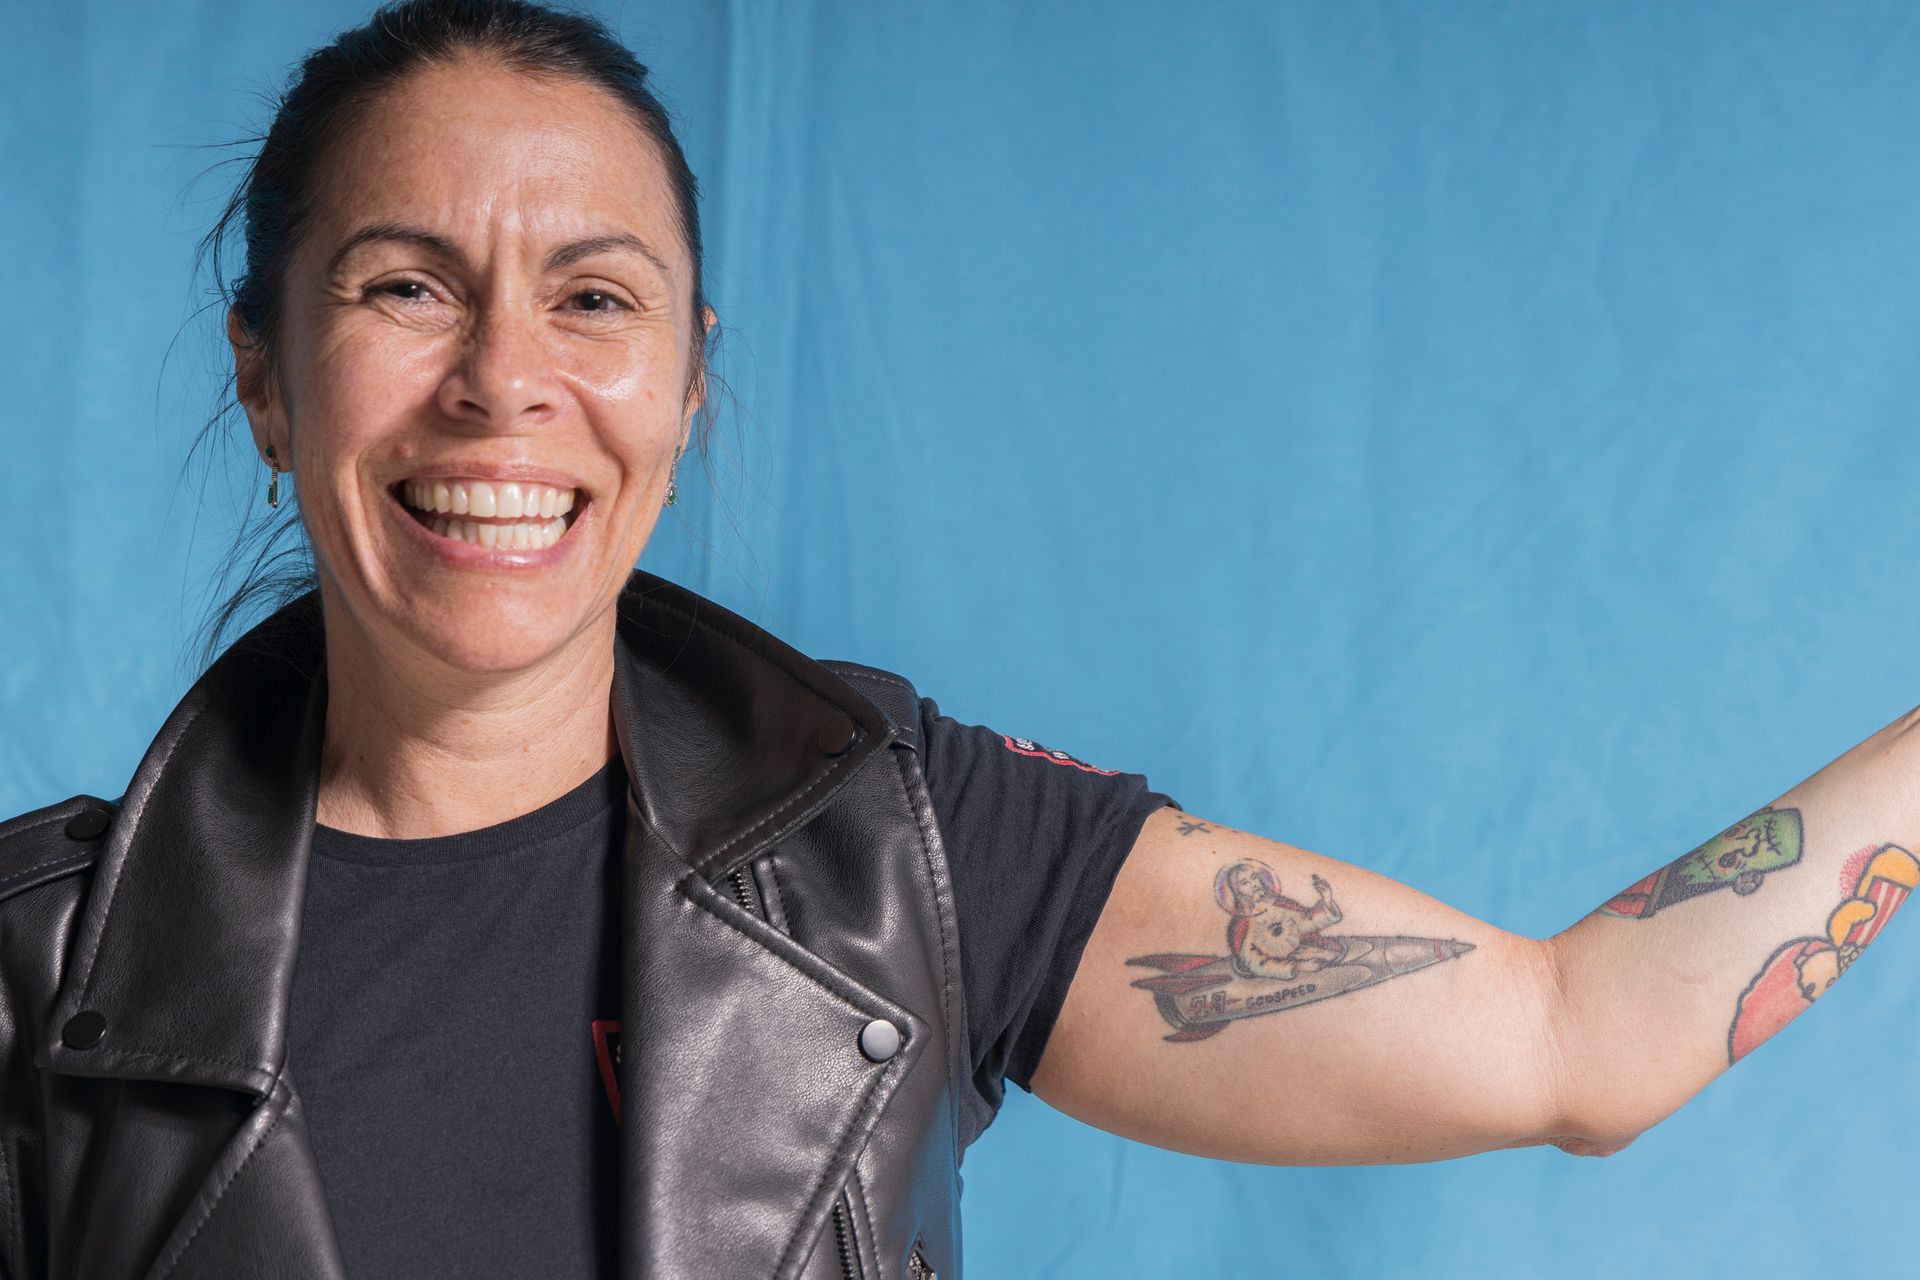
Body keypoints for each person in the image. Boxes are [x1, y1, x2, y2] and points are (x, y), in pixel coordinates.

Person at [0, 2, 1912, 1277]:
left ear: (683, 394)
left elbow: (1582, 1039)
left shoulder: (903, 848)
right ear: (267, 378)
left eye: (595, 298)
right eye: (406, 286)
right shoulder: (34, 972)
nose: (509, 383)